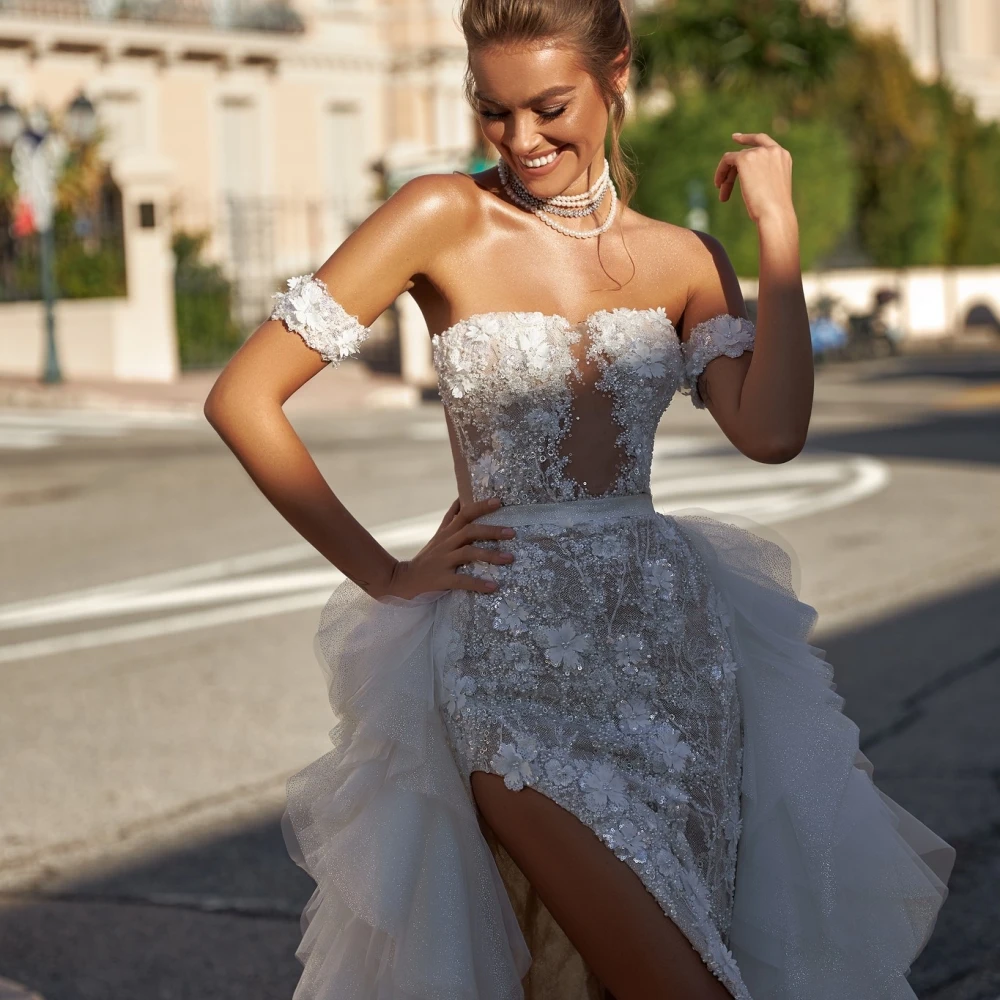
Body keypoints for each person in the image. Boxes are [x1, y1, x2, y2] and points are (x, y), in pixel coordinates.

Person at [203, 1, 955, 997]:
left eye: (548, 106)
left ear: (615, 79)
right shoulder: (440, 216)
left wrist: (778, 231)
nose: (520, 139)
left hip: (673, 665)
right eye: (492, 110)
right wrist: (385, 572)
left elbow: (771, 433)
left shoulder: (686, 258)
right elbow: (244, 397)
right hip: (506, 670)